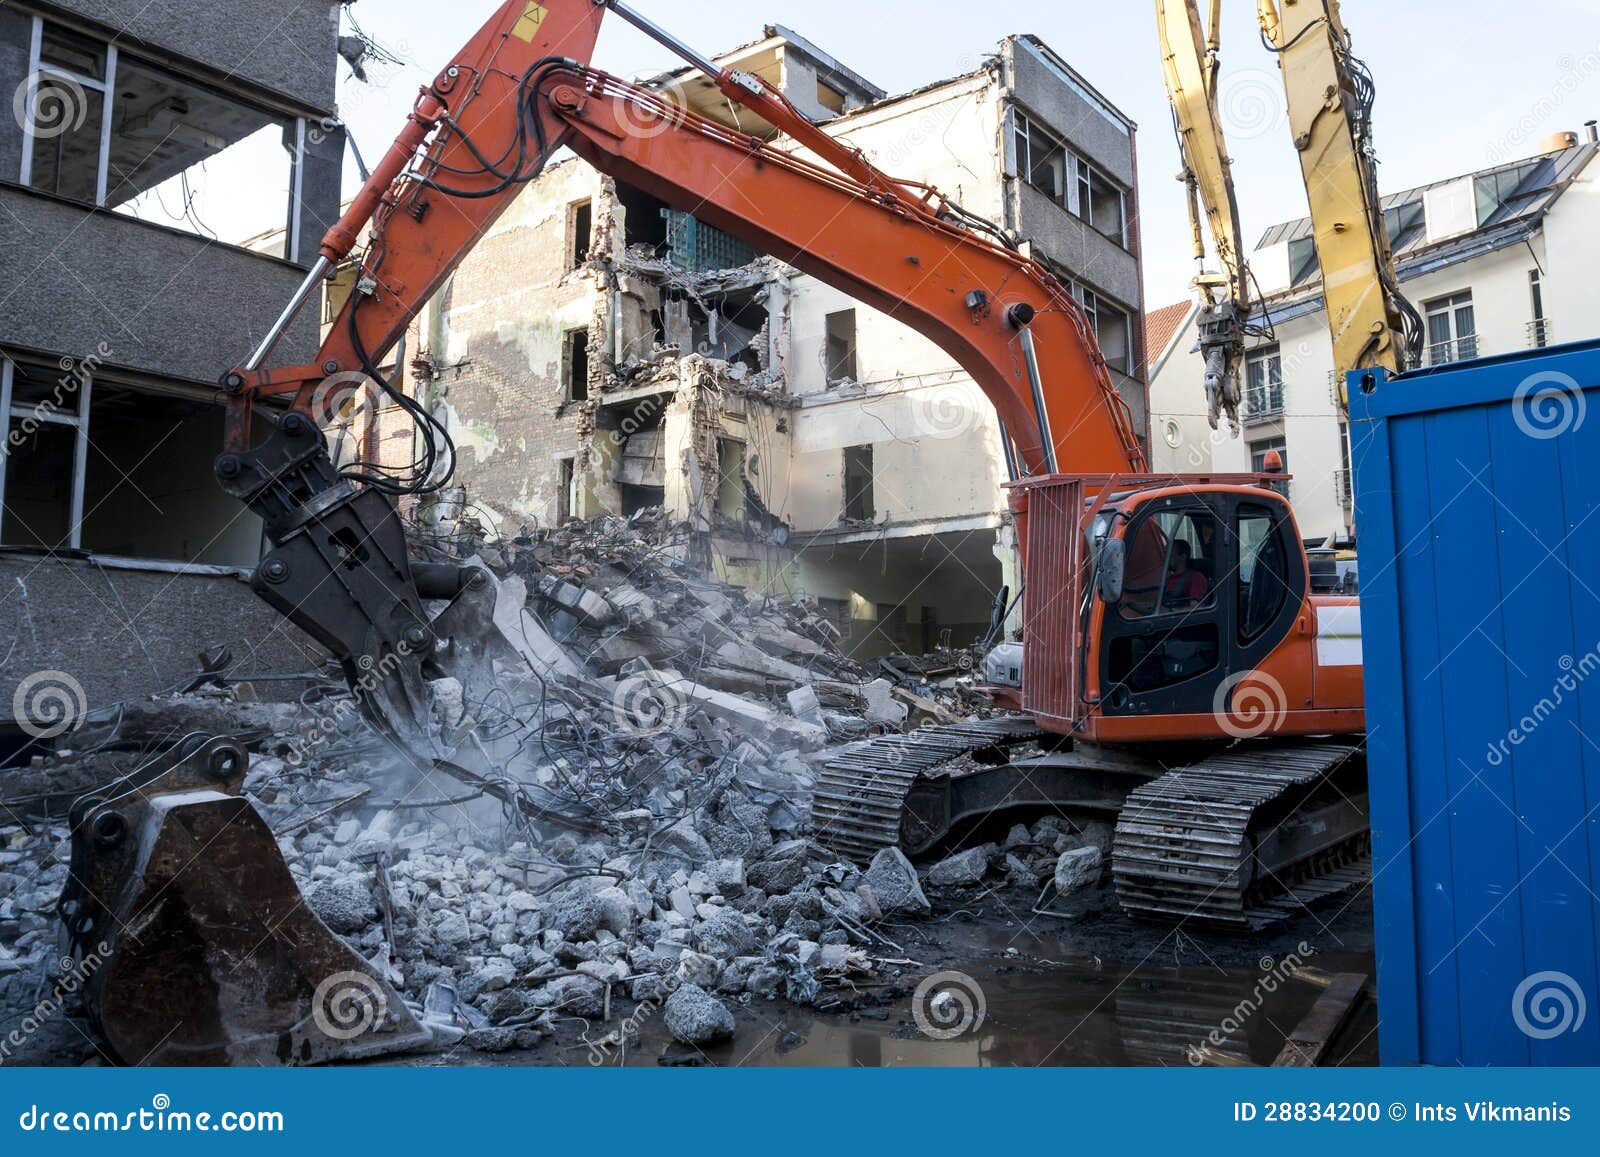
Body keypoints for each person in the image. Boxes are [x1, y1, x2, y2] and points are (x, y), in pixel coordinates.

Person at [1165, 540, 1209, 606]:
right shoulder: (1169, 578)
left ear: (1183, 557)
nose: (1164, 558)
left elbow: (1195, 609)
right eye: (1164, 553)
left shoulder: (1196, 578)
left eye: (1169, 555)